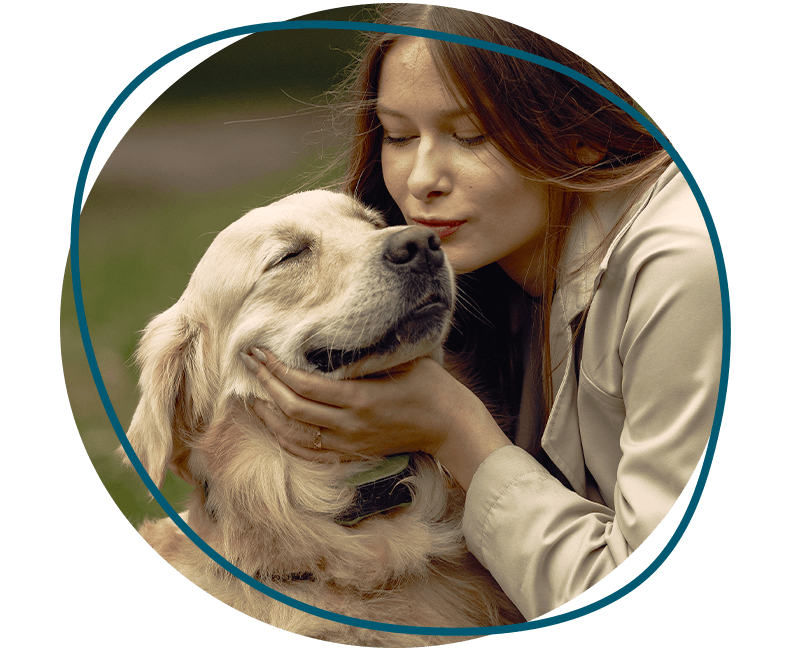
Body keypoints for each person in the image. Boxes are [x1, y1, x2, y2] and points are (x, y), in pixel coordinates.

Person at [239, 4, 722, 621]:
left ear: (579, 128)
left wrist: (455, 428)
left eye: (471, 136)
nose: (421, 180)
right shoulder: (480, 265)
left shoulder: (686, 264)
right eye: (398, 135)